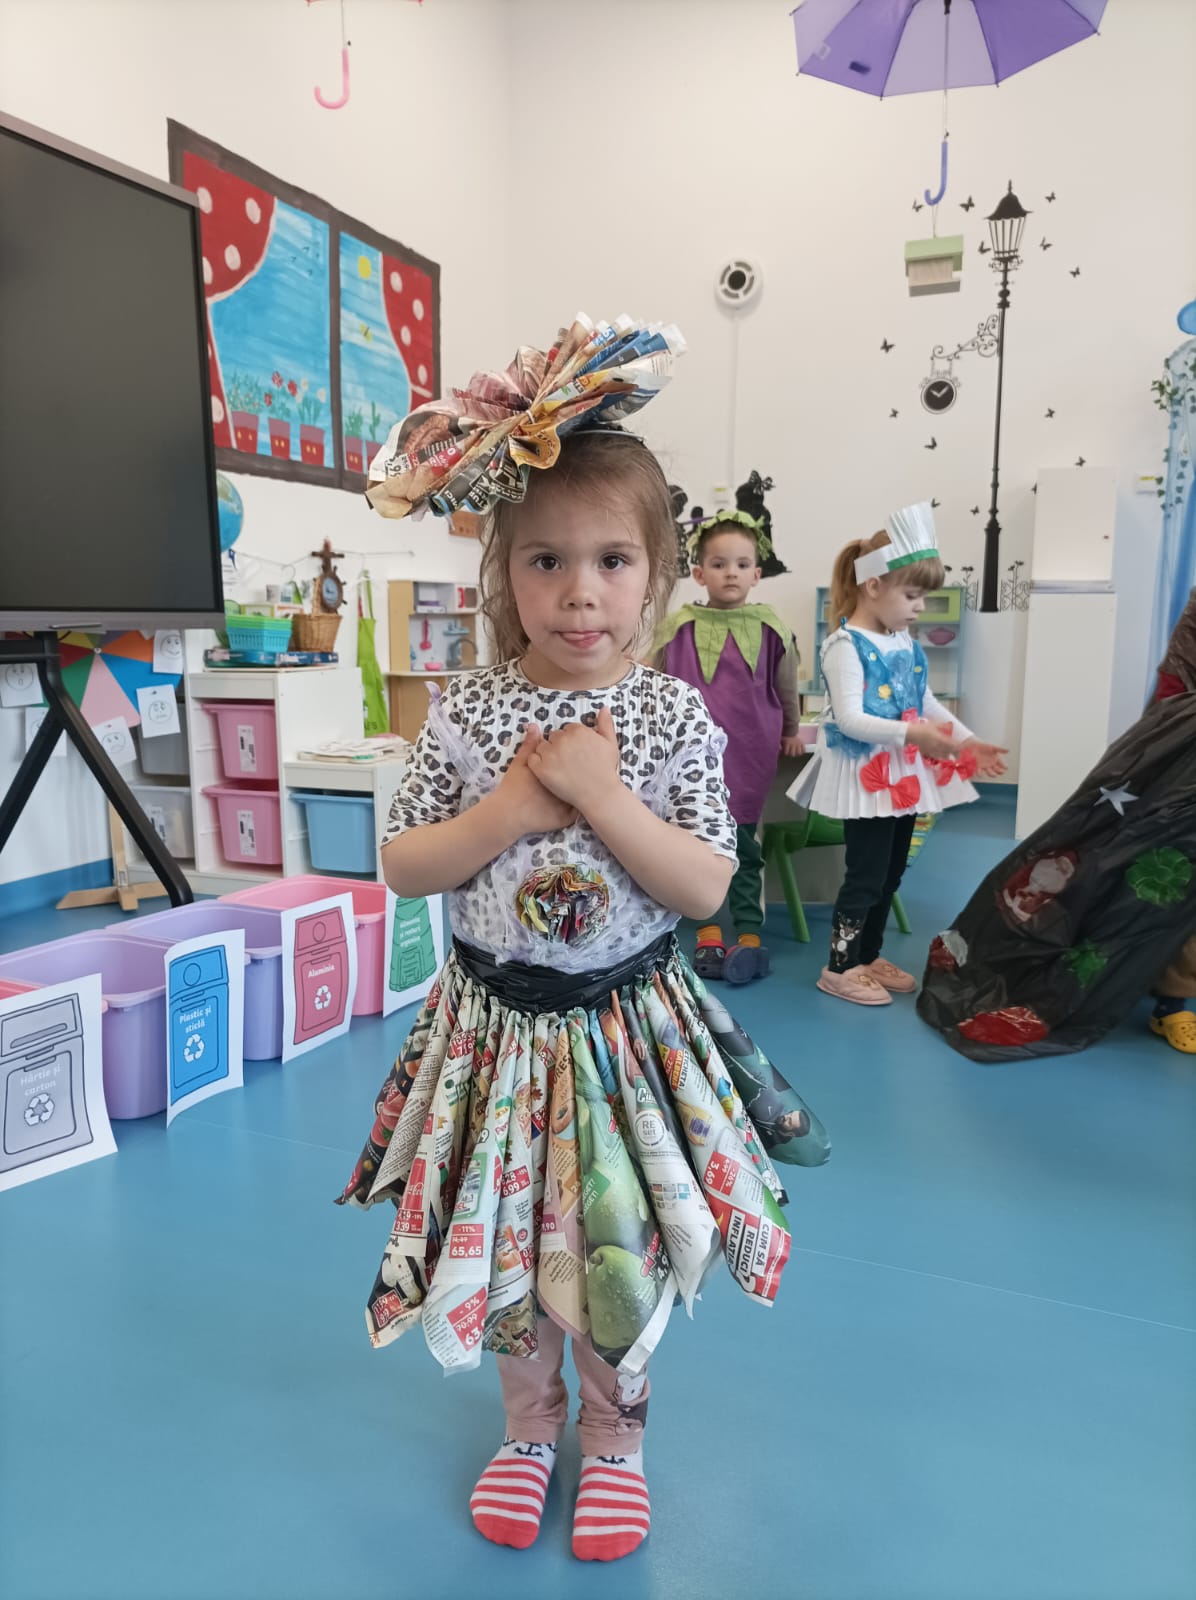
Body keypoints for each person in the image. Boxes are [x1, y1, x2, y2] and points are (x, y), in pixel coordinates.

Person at [336, 316, 830, 1564]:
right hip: (492, 1033)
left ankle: (612, 1436)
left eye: (611, 559)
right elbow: (404, 862)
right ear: (502, 571)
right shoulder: (465, 712)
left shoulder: (671, 717)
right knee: (506, 1234)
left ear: (654, 576)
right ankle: (527, 1424)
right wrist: (510, 808)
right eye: (545, 559)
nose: (578, 591)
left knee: (613, 1239)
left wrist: (603, 798)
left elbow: (705, 883)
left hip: (622, 1034)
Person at [918, 587, 1196, 1059]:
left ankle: (1170, 986)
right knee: (1147, 873)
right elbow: (1176, 686)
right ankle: (1172, 1000)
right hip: (1178, 757)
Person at [788, 504, 1007, 1006]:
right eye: (912, 595)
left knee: (890, 876)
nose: (920, 607)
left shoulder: (903, 642)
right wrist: (914, 735)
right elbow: (850, 720)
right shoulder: (845, 645)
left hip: (902, 775)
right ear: (873, 586)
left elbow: (924, 702)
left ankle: (867, 956)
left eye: (923, 596)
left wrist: (966, 741)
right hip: (867, 778)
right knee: (865, 876)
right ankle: (839, 967)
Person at [653, 511, 802, 984]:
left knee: (742, 844)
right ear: (700, 574)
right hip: (690, 757)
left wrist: (792, 729)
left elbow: (786, 685)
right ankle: (709, 933)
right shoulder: (677, 627)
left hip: (750, 752)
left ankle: (750, 935)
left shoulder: (772, 627)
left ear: (757, 574)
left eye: (741, 564)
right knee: (697, 844)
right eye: (719, 564)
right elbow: (651, 680)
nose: (731, 573)